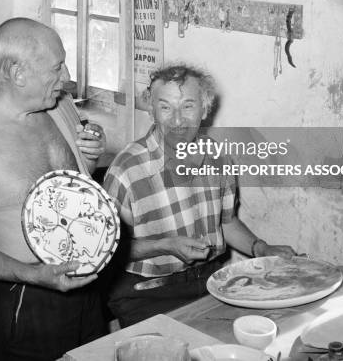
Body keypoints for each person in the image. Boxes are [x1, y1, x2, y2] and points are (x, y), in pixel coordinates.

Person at [0, 18, 107, 361]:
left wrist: (89, 158)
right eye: (56, 67)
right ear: (18, 74)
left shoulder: (55, 106)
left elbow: (67, 186)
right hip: (24, 296)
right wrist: (35, 275)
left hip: (82, 285)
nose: (66, 79)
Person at [103, 64, 296, 327]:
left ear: (205, 109)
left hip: (210, 281)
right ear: (152, 110)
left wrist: (260, 248)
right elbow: (105, 251)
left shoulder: (218, 157)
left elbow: (226, 223)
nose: (177, 120)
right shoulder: (127, 169)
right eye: (166, 107)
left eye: (188, 106)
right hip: (147, 293)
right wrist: (165, 245)